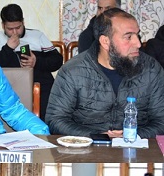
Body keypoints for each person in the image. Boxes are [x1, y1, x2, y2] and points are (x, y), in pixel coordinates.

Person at [48, 8, 164, 137]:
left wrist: (131, 135)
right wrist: (97, 136)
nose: (138, 43)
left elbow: (161, 121)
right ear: (105, 41)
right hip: (86, 147)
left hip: (138, 147)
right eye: (129, 37)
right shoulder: (73, 70)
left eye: (138, 35)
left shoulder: (151, 69)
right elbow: (55, 120)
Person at [0, 4, 63, 120]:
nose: (14, 32)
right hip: (10, 86)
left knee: (49, 105)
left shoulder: (37, 36)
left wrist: (36, 61)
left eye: (18, 27)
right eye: (10, 29)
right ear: (3, 25)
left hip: (40, 85)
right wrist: (8, 48)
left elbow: (57, 61)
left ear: (23, 22)